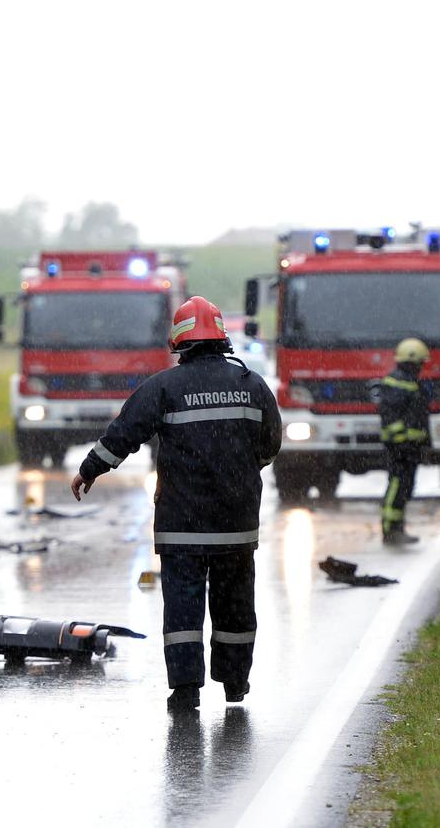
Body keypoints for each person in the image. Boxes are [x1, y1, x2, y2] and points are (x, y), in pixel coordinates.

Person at [69, 296, 282, 712]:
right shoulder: (251, 385)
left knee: (183, 610)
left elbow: (124, 433)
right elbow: (270, 444)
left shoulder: (164, 387)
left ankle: (185, 690)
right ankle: (235, 683)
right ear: (222, 338)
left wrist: (90, 469)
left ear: (179, 342)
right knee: (235, 606)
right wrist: (239, 471)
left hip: (182, 525)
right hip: (235, 525)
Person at [378, 338, 431, 545]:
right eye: (420, 363)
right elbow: (392, 416)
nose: (421, 367)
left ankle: (398, 528)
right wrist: (401, 441)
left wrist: (422, 443)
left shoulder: (410, 383)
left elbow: (417, 418)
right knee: (397, 485)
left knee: (405, 487)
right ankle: (390, 529)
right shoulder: (398, 384)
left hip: (410, 447)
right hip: (400, 447)